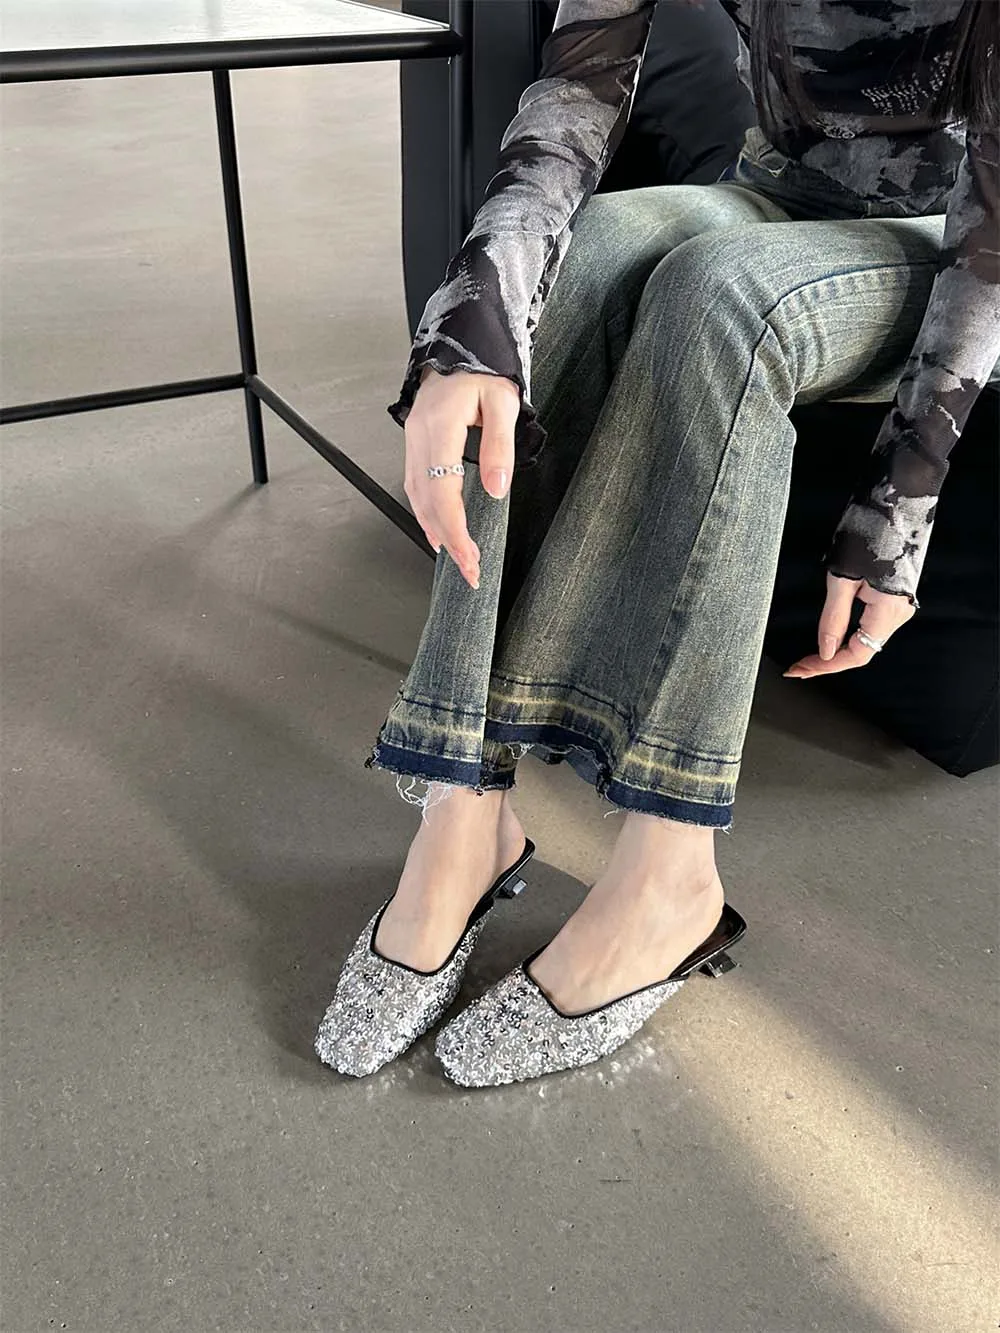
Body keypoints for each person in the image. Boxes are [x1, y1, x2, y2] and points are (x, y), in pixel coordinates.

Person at [315, 0, 999, 1086]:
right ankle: (463, 808)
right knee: (577, 259)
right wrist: (473, 325)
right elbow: (578, 87)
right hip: (776, 187)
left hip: (957, 233)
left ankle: (671, 876)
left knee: (722, 298)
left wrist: (897, 506)